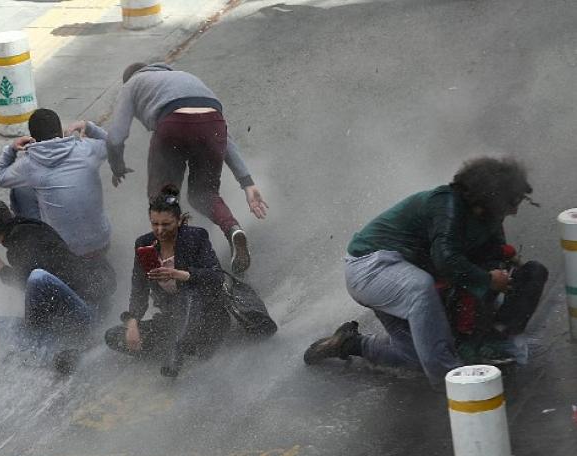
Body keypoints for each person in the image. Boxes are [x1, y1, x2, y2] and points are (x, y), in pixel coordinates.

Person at [303, 157, 543, 389]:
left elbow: (486, 258)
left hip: (407, 276)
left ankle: (349, 344)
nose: (514, 212)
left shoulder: (489, 218)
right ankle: (451, 379)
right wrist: (488, 279)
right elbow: (447, 259)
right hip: (371, 270)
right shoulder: (446, 205)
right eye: (511, 203)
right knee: (421, 290)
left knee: (417, 358)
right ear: (489, 197)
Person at [105, 62, 268, 274]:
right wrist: (247, 182)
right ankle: (233, 230)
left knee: (162, 198)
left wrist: (117, 166)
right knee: (204, 193)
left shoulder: (132, 83)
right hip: (213, 122)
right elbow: (224, 136)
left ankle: (175, 260)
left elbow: (115, 136)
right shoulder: (185, 78)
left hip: (173, 124)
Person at [0, 199, 116, 374]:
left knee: (37, 280)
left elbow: (34, 290)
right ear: (10, 212)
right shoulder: (35, 225)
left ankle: (54, 354)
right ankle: (63, 345)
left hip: (86, 314)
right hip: (94, 303)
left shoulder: (18, 246)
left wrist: (2, 270)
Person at [104, 184, 231, 377]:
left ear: (179, 221)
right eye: (155, 224)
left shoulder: (196, 237)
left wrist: (181, 274)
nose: (160, 230)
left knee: (189, 293)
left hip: (206, 315)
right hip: (172, 319)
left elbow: (216, 276)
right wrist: (132, 322)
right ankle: (176, 346)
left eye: (166, 224)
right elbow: (139, 288)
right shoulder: (144, 244)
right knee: (113, 336)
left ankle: (178, 351)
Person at [0, 108, 112, 259]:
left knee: (20, 191)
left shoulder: (29, 164)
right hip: (101, 243)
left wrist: (11, 149)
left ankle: (35, 246)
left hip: (64, 253)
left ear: (33, 138)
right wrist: (89, 127)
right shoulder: (86, 149)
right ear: (61, 131)